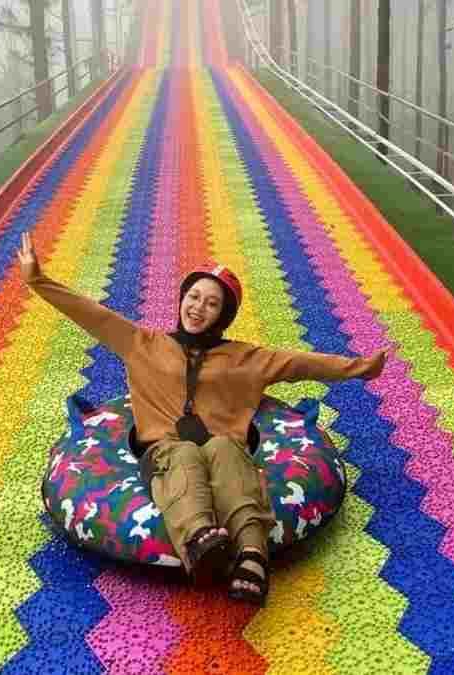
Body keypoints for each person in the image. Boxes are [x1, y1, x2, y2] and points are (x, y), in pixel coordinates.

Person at [19, 232, 386, 606]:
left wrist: (360, 368)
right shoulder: (143, 344)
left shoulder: (247, 358)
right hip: (165, 451)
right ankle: (200, 542)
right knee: (183, 454)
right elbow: (91, 314)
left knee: (224, 448)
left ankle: (252, 556)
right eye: (193, 297)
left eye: (211, 303)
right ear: (182, 299)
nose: (198, 308)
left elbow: (302, 363)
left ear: (223, 315)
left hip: (223, 450)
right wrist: (37, 279)